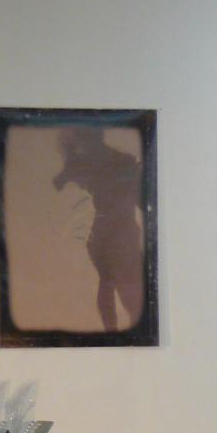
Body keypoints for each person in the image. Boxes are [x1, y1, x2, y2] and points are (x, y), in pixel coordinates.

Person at [52, 126, 145, 333]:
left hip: (105, 234)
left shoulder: (86, 164)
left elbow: (58, 183)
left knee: (110, 283)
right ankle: (122, 334)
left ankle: (114, 334)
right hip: (120, 233)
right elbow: (141, 200)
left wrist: (70, 157)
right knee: (127, 290)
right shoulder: (123, 161)